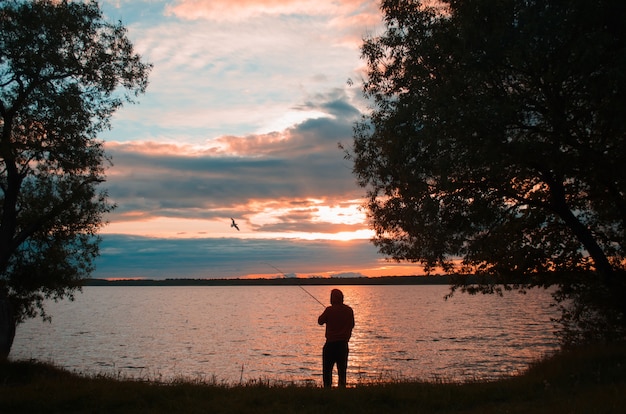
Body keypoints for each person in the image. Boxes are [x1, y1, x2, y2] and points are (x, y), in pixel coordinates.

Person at [318, 289, 355, 388]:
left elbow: (320, 321)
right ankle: (342, 391)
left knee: (327, 371)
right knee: (342, 371)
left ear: (332, 298)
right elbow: (352, 325)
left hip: (330, 345)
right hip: (343, 345)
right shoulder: (349, 310)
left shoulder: (329, 310)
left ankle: (327, 390)